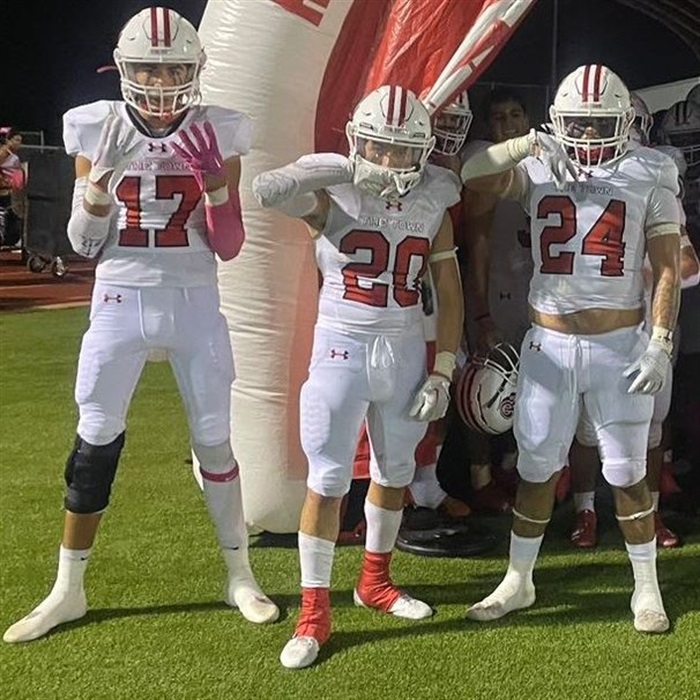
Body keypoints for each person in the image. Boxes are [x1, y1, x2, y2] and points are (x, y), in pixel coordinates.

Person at [3, 6, 278, 645]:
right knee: (94, 440)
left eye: (175, 68)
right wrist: (99, 185)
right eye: (150, 70)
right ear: (124, 70)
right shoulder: (95, 126)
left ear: (195, 70)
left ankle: (239, 575)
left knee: (214, 441)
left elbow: (229, 245)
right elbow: (83, 243)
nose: (162, 82)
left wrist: (216, 187)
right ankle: (68, 588)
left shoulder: (218, 131)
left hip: (195, 299)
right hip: (119, 299)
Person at [460, 64, 681, 634]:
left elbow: (666, 270)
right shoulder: (540, 165)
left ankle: (646, 587)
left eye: (598, 123)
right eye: (577, 123)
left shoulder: (650, 171)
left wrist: (660, 341)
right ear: (558, 122)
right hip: (550, 344)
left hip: (619, 346)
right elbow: (471, 173)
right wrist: (523, 145)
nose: (586, 134)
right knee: (536, 468)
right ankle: (519, 580)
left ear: (622, 122)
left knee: (628, 473)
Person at [252, 84, 464, 668]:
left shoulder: (435, 198)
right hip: (340, 348)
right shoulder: (334, 192)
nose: (390, 160)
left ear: (423, 151)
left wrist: (444, 368)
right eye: (378, 146)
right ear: (357, 143)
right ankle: (313, 612)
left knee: (395, 472)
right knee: (328, 480)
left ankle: (375, 581)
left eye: (403, 149)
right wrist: (341, 168)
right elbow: (270, 189)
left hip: (404, 349)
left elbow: (448, 290)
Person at [568, 95, 700, 549]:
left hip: (649, 327)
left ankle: (651, 513)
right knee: (588, 427)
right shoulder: (579, 186)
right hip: (601, 327)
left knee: (653, 428)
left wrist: (643, 271)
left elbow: (689, 267)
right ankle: (585, 509)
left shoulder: (657, 188)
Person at [456, 88, 536, 513]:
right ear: (488, 125)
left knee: (531, 388)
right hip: (498, 291)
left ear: (528, 119)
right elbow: (479, 241)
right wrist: (482, 309)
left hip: (534, 290)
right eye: (499, 117)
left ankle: (515, 466)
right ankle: (481, 478)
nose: (508, 124)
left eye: (516, 114)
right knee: (484, 384)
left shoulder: (541, 162)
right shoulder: (484, 160)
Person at [0, 128, 26, 248]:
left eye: (20, 141)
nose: (18, 143)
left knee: (11, 215)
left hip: (10, 191)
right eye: (16, 140)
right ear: (8, 140)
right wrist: (3, 180)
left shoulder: (13, 156)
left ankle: (10, 239)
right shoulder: (3, 152)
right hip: (3, 190)